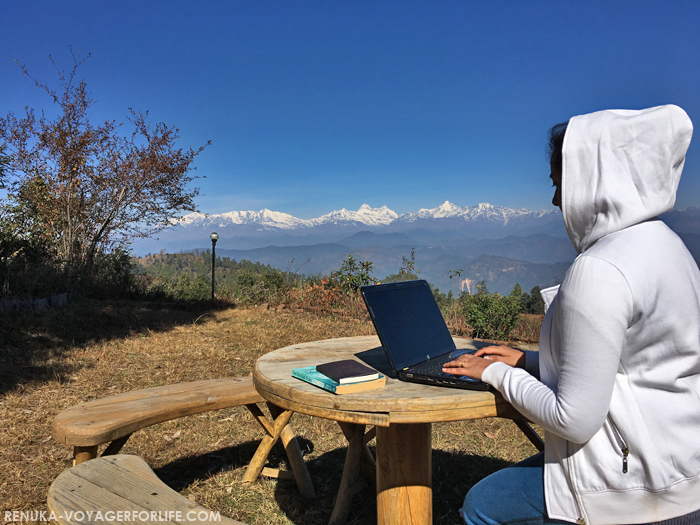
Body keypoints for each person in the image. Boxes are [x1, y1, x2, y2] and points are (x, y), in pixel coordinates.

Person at [443, 105, 700, 525]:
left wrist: (494, 374)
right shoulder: (669, 247)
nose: (555, 200)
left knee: (481, 506)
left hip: (631, 490)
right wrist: (527, 360)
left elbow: (573, 420)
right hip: (683, 471)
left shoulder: (601, 269)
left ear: (592, 181)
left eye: (561, 184)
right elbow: (631, 365)